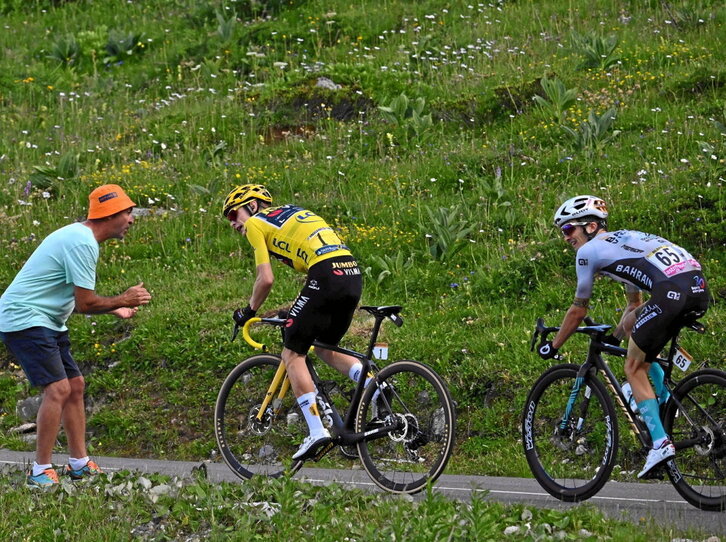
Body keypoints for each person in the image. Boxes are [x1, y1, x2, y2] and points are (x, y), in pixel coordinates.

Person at [538, 194, 710, 478]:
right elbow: (634, 306)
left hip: (670, 292)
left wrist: (554, 346)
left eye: (569, 229)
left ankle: (660, 443)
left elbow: (579, 310)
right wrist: (614, 338)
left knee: (632, 367)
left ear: (590, 227)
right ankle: (665, 400)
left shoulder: (588, 252)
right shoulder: (625, 239)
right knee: (633, 324)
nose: (566, 238)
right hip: (696, 287)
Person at [0, 184, 152, 488]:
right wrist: (123, 299)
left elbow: (75, 297)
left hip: (46, 319)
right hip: (24, 317)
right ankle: (40, 471)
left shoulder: (79, 236)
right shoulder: (82, 243)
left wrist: (112, 310)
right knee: (57, 389)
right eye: (127, 212)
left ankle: (79, 464)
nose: (132, 219)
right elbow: (85, 303)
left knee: (75, 385)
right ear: (109, 214)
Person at [222, 184, 364, 460]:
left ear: (252, 206)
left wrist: (248, 311)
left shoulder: (256, 224)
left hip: (325, 275)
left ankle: (315, 430)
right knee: (325, 347)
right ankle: (375, 386)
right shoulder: (291, 212)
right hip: (351, 273)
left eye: (232, 214)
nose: (232, 223)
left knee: (292, 352)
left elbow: (266, 280)